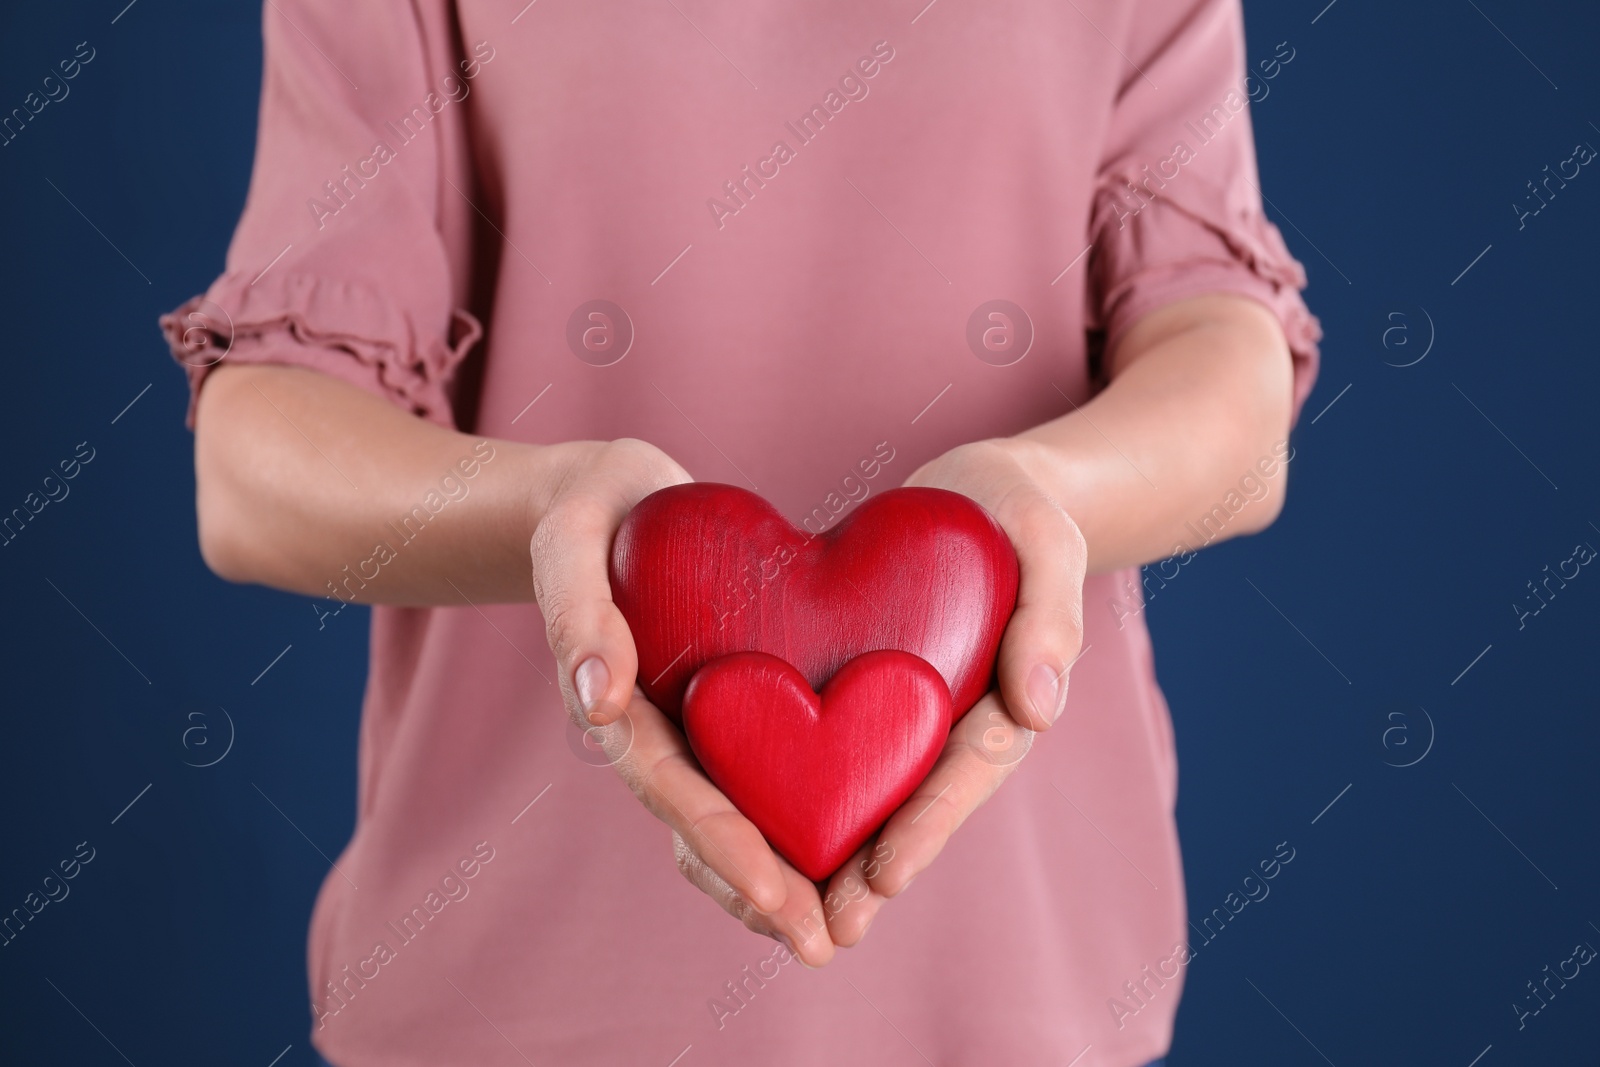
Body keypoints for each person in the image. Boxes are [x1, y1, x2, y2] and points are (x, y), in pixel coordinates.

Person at [161, 0, 1318, 1063]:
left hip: (1023, 987)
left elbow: (1227, 373)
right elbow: (254, 467)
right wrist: (560, 514)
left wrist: (1036, 493)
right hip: (508, 986)